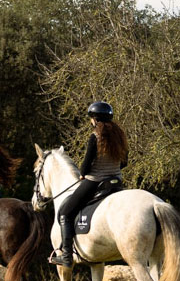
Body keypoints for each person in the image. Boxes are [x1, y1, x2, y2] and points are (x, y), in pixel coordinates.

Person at [50, 101, 128, 267]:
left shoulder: (95, 137)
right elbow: (124, 162)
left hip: (96, 181)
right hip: (116, 182)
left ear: (94, 119)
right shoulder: (120, 136)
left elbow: (86, 164)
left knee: (65, 212)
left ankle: (66, 256)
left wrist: (83, 175)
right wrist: (113, 169)